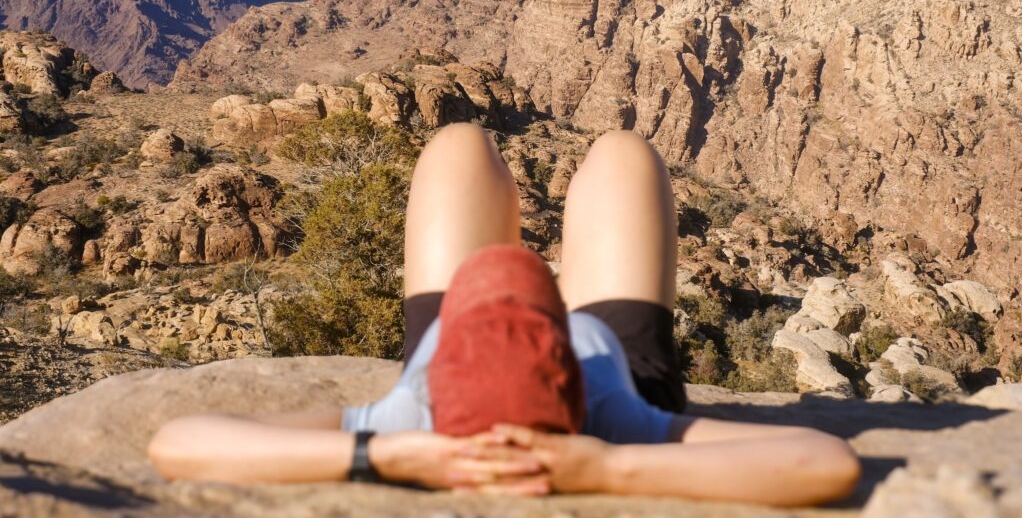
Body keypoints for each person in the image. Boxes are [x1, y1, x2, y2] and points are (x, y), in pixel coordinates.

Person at [148, 124, 861, 506]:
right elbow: (823, 462)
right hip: (612, 358)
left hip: (464, 344)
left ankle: (480, 280)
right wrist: (609, 469)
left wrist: (382, 455)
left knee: (457, 146)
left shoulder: (413, 423)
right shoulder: (612, 417)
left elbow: (178, 443)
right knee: (621, 154)